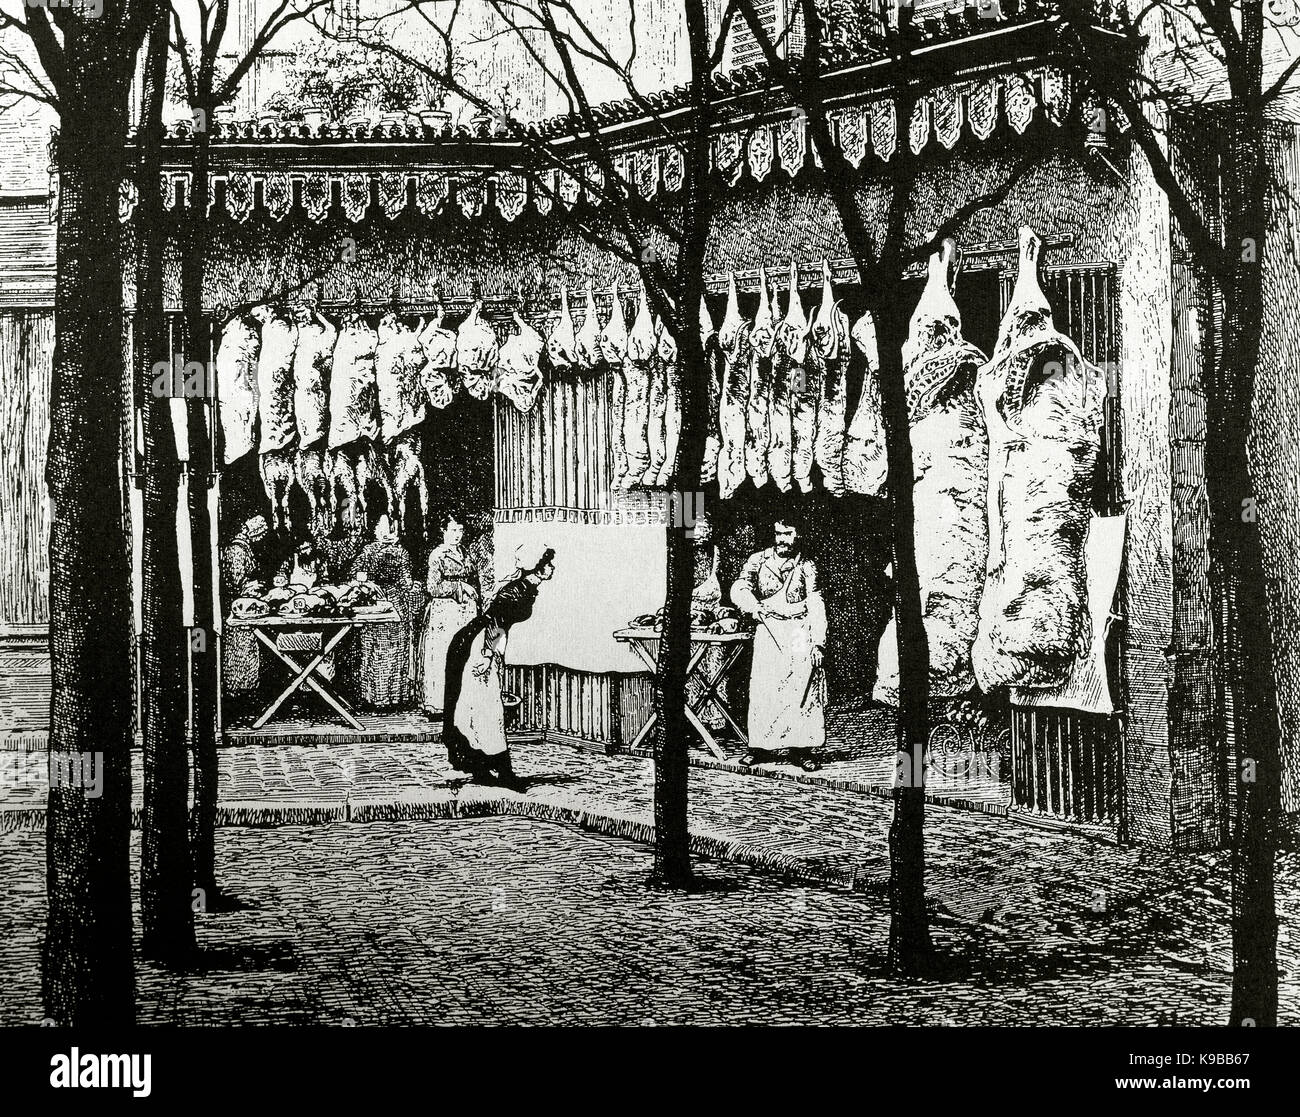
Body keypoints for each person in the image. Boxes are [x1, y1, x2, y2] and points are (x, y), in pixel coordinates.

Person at [443, 542, 556, 790]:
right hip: (478, 645)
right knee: (487, 709)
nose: (552, 567)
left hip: (487, 644)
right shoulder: (515, 592)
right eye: (547, 563)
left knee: (480, 708)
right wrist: (485, 655)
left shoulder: (528, 588)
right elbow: (497, 623)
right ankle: (503, 773)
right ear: (535, 567)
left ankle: (484, 768)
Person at [729, 516, 827, 771]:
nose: (783, 539)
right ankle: (759, 747)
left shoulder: (807, 566)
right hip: (769, 629)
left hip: (797, 631)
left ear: (798, 535)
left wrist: (818, 642)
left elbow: (816, 602)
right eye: (779, 533)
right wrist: (753, 606)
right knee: (764, 688)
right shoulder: (758, 560)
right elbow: (739, 586)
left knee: (801, 688)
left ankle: (801, 749)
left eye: (788, 533)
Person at [418, 512, 480, 714]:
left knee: (464, 654)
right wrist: (459, 587)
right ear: (443, 531)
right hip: (445, 613)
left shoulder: (465, 552)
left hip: (465, 611)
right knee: (444, 655)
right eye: (453, 530)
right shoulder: (438, 555)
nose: (457, 534)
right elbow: (433, 588)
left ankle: (462, 702)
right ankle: (439, 704)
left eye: (460, 530)